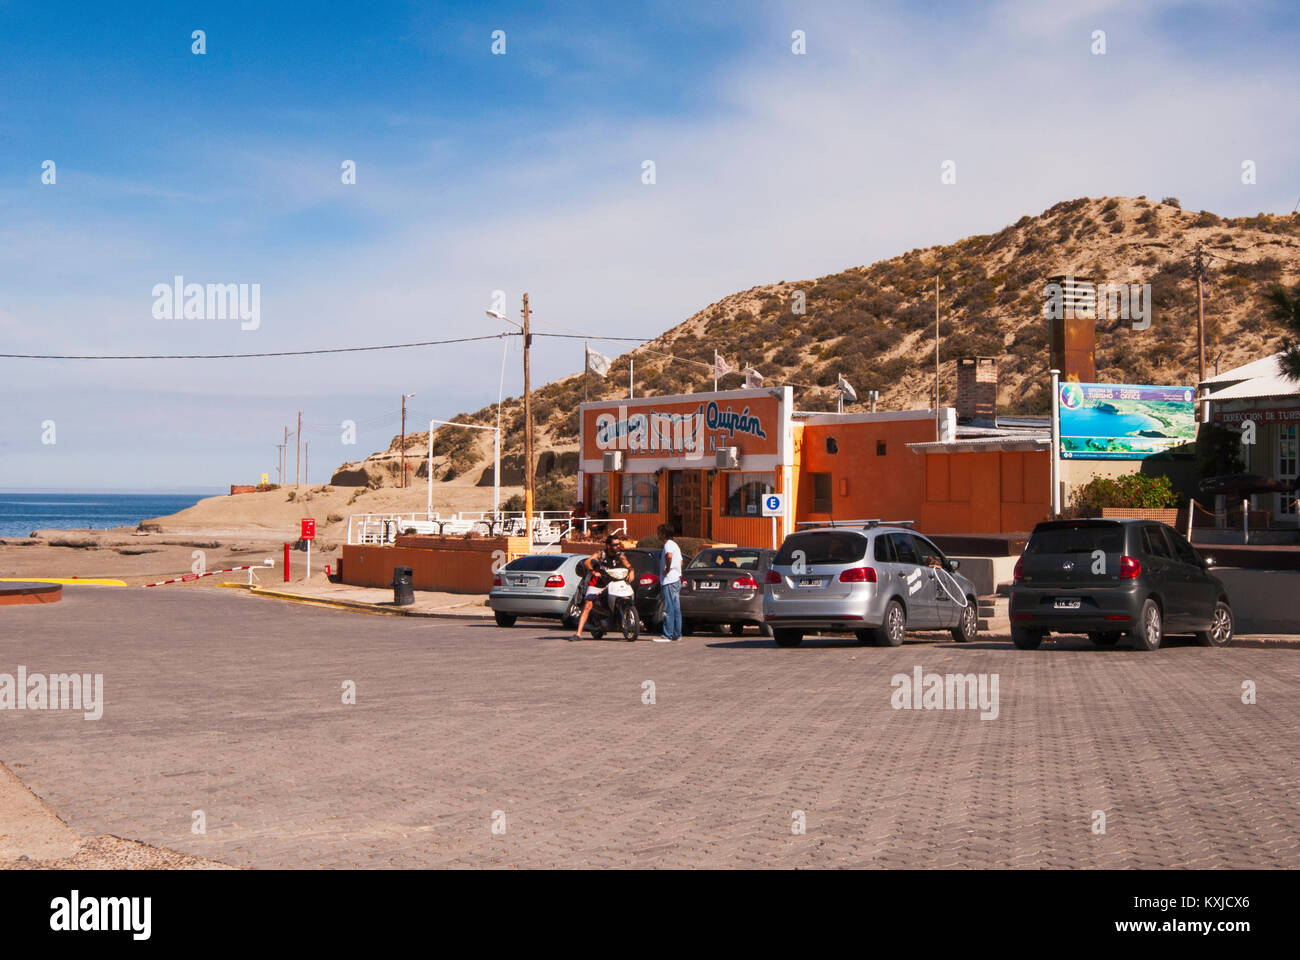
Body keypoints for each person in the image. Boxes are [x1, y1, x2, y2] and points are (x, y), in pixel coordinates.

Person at [572, 534, 631, 641]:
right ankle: (578, 634)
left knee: (624, 598)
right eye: (615, 545)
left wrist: (632, 571)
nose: (618, 546)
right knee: (588, 605)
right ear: (608, 546)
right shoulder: (601, 554)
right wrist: (593, 571)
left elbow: (628, 565)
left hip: (613, 583)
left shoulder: (620, 555)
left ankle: (621, 622)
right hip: (597, 584)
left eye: (619, 544)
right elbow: (587, 562)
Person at [656, 523, 683, 643]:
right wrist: (675, 568)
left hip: (669, 580)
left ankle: (667, 634)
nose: (657, 535)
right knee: (676, 607)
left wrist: (667, 569)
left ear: (664, 534)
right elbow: (681, 562)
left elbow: (669, 555)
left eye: (659, 532)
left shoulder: (668, 545)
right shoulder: (675, 545)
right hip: (676, 578)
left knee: (668, 608)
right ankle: (677, 633)